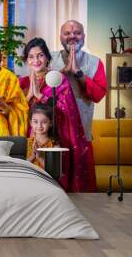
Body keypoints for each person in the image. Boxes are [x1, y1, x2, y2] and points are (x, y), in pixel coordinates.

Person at [20, 37, 93, 191]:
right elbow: (16, 112)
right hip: (30, 135)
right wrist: (28, 97)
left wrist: (41, 97)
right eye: (31, 57)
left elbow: (65, 109)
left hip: (54, 137)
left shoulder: (58, 79)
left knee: (52, 180)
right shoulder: (23, 83)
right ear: (27, 60)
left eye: (40, 55)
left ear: (47, 57)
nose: (36, 60)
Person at [51, 20, 107, 191]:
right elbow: (41, 91)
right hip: (53, 132)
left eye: (77, 33)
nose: (72, 37)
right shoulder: (49, 59)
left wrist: (78, 73)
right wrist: (63, 71)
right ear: (60, 36)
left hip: (82, 132)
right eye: (67, 33)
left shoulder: (95, 62)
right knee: (54, 186)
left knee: (82, 189)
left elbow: (98, 94)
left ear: (84, 36)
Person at [27, 103, 57, 169]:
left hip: (45, 179)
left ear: (51, 123)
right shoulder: (26, 143)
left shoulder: (54, 144)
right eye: (35, 122)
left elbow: (54, 170)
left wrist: (40, 157)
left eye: (44, 122)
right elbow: (21, 167)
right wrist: (32, 156)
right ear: (31, 123)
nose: (39, 126)